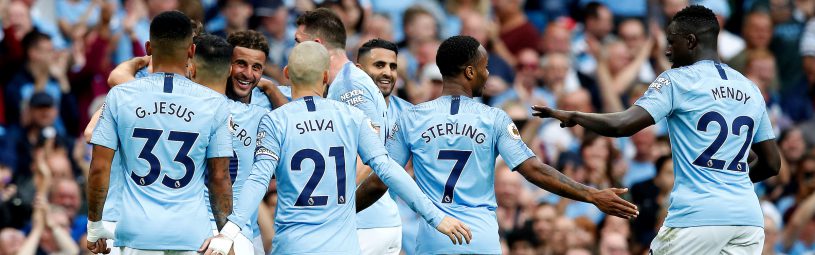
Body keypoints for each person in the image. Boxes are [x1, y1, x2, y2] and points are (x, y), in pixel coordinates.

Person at [533, 6, 782, 254]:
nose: (667, 50)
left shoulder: (678, 80)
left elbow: (622, 125)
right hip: (748, 219)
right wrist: (729, 184)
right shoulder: (750, 89)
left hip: (697, 216)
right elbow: (771, 164)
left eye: (672, 42)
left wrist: (576, 115)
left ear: (691, 41)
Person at [368, 35, 637, 254]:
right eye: (484, 68)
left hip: (435, 239)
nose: (487, 74)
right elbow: (533, 170)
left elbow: (382, 178)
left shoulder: (411, 118)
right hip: (480, 240)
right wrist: (590, 194)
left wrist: (343, 212)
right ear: (470, 71)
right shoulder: (492, 118)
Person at [203, 41, 472, 255]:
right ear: (324, 76)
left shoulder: (276, 120)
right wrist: (436, 216)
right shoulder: (351, 117)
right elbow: (387, 169)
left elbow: (258, 180)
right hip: (343, 247)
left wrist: (228, 232)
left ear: (287, 74)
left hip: (294, 246)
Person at [85, 11, 234, 254]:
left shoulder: (121, 97)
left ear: (148, 47)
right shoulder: (214, 103)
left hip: (135, 233)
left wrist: (94, 226)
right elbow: (219, 177)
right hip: (191, 233)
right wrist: (225, 234)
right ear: (191, 51)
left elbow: (100, 168)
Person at [292, 8, 404, 255]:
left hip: (364, 226)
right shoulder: (343, 82)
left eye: (298, 43)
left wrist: (332, 207)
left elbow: (370, 157)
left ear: (317, 45)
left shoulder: (349, 87)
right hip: (372, 223)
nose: (294, 51)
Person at [354, 38, 412, 254]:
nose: (388, 72)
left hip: (386, 222)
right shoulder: (339, 109)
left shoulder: (410, 115)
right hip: (350, 226)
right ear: (358, 70)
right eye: (379, 65)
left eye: (393, 66)